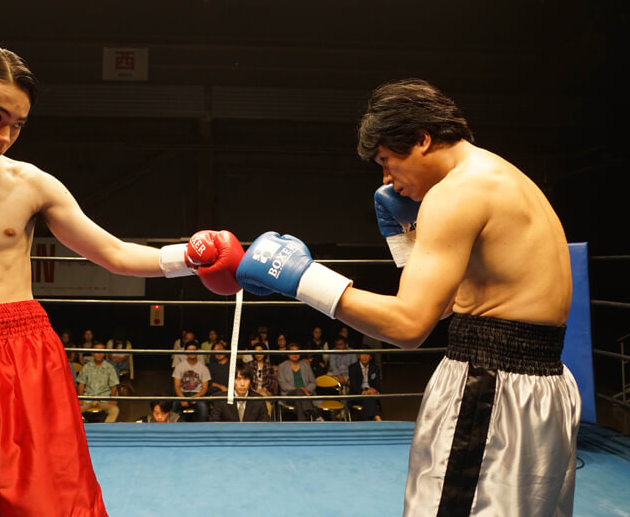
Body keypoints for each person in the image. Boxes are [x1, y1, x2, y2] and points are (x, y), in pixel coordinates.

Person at [0, 40, 244, 516]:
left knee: (54, 504)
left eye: (18, 125)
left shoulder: (32, 183)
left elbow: (114, 253)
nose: (4, 137)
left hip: (23, 353)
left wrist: (193, 258)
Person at [236, 78, 579, 516]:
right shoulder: (502, 176)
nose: (385, 179)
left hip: (490, 389)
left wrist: (302, 279)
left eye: (386, 160)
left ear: (421, 139)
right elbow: (446, 303)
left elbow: (409, 325)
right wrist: (405, 240)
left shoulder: (455, 193)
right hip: (546, 390)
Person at [77, 341, 120, 423]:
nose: (99, 354)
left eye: (101, 351)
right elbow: (81, 384)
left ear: (104, 353)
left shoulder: (109, 367)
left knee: (115, 410)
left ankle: (105, 430)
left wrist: (112, 398)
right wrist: (80, 398)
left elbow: (114, 385)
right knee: (73, 410)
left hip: (104, 399)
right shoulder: (87, 367)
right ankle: (81, 430)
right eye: (96, 351)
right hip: (88, 398)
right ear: (92, 353)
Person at [276, 343, 318, 421]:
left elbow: (313, 383)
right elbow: (282, 384)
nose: (295, 354)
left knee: (298, 401)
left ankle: (302, 423)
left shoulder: (306, 366)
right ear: (288, 353)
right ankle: (313, 412)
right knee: (298, 392)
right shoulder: (282, 366)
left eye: (297, 352)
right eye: (292, 352)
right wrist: (298, 389)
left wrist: (306, 390)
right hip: (289, 395)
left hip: (306, 395)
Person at [172, 343, 212, 422]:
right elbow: (176, 386)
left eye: (194, 350)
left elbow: (205, 388)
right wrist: (182, 398)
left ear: (197, 351)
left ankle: (201, 430)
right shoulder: (179, 367)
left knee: (203, 408)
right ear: (185, 352)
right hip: (183, 394)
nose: (192, 352)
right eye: (189, 350)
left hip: (197, 394)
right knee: (174, 406)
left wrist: (196, 396)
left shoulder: (204, 368)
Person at [347, 346, 382, 421]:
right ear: (358, 356)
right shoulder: (353, 368)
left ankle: (371, 420)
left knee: (369, 398)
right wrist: (364, 392)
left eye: (367, 354)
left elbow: (377, 384)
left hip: (371, 393)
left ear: (371, 357)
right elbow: (353, 386)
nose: (365, 356)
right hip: (357, 395)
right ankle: (377, 417)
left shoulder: (375, 368)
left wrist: (374, 390)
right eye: (362, 354)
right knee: (369, 398)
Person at [250, 343, 277, 416]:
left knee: (264, 396)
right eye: (256, 352)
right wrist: (254, 390)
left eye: (260, 351)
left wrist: (264, 389)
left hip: (266, 391)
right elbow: (247, 381)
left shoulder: (269, 366)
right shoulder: (249, 365)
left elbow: (271, 383)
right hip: (251, 391)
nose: (258, 354)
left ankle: (266, 422)